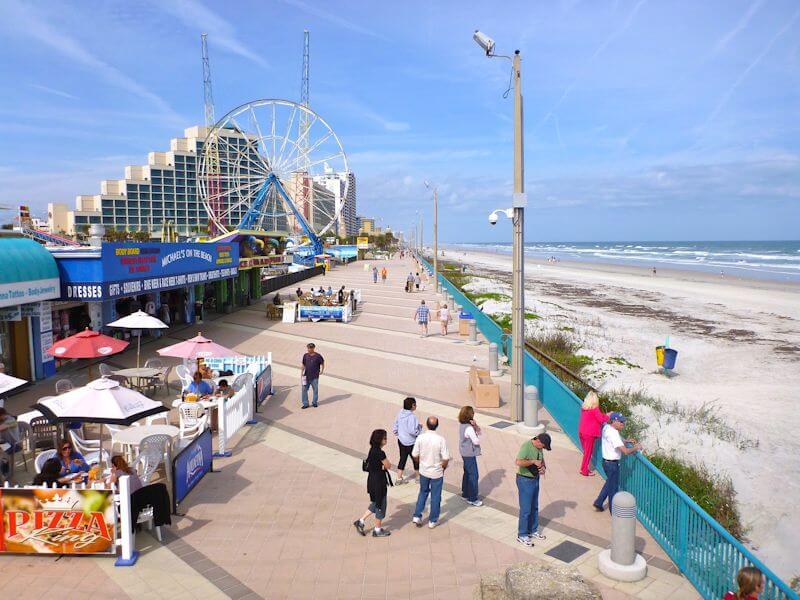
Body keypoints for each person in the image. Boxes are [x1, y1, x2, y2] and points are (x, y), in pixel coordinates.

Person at [592, 412, 641, 513]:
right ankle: (613, 511)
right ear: (614, 421)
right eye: (621, 421)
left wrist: (625, 441)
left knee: (610, 483)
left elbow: (604, 422)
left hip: (605, 462)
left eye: (624, 421)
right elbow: (626, 452)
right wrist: (636, 447)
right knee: (613, 488)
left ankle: (598, 502)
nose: (623, 423)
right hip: (612, 464)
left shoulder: (607, 427)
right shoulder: (613, 434)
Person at [411, 416, 450, 528]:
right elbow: (446, 458)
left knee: (423, 492)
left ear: (427, 424)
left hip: (424, 471)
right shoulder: (441, 439)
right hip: (437, 472)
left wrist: (420, 462)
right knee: (436, 496)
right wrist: (443, 467)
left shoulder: (420, 438)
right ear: (437, 426)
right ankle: (433, 520)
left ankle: (417, 516)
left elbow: (414, 455)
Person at [353, 429, 393, 538]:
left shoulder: (372, 450)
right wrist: (384, 466)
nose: (386, 440)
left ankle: (360, 521)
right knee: (380, 504)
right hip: (379, 482)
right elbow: (388, 465)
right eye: (385, 438)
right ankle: (377, 530)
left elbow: (375, 465)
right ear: (380, 440)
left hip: (371, 481)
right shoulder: (380, 452)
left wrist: (381, 466)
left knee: (375, 502)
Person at [515, 433, 552, 546]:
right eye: (543, 446)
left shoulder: (539, 448)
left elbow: (541, 459)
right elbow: (518, 462)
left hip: (535, 479)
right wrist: (532, 462)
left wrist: (543, 467)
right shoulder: (526, 446)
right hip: (525, 480)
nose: (543, 449)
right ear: (539, 442)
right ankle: (522, 535)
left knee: (534, 506)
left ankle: (533, 530)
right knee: (526, 509)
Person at [392, 397, 422, 484]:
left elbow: (395, 425)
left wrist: (398, 434)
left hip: (401, 441)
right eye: (415, 404)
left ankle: (398, 478)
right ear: (412, 406)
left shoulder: (400, 412)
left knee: (402, 458)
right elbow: (412, 431)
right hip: (411, 442)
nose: (416, 406)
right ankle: (418, 478)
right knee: (415, 459)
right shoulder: (412, 417)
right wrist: (419, 429)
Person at [578, 391, 609, 477]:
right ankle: (584, 470)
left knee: (586, 452)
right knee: (588, 453)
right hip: (589, 434)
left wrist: (603, 415)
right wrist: (608, 416)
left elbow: (597, 417)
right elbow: (602, 420)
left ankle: (584, 468)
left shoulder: (585, 408)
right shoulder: (595, 409)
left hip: (581, 432)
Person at [458, 406, 483, 506]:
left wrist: (475, 425)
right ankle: (472, 498)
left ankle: (465, 493)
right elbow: (476, 440)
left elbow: (479, 431)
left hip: (464, 452)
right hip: (469, 453)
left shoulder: (462, 425)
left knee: (467, 473)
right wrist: (475, 429)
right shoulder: (469, 428)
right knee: (474, 475)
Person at [300, 342, 325, 409]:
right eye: (308, 348)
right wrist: (301, 372)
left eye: (310, 348)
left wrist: (322, 371)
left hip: (315, 377)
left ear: (313, 348)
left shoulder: (318, 356)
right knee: (304, 390)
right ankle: (305, 404)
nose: (309, 349)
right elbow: (303, 364)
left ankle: (314, 402)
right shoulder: (305, 355)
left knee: (315, 390)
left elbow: (322, 363)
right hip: (306, 376)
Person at [0, 407, 20, 476]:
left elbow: (2, 427)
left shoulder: (11, 420)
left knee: (3, 452)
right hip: (4, 443)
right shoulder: (2, 420)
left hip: (14, 445)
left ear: (2, 415)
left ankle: (5, 472)